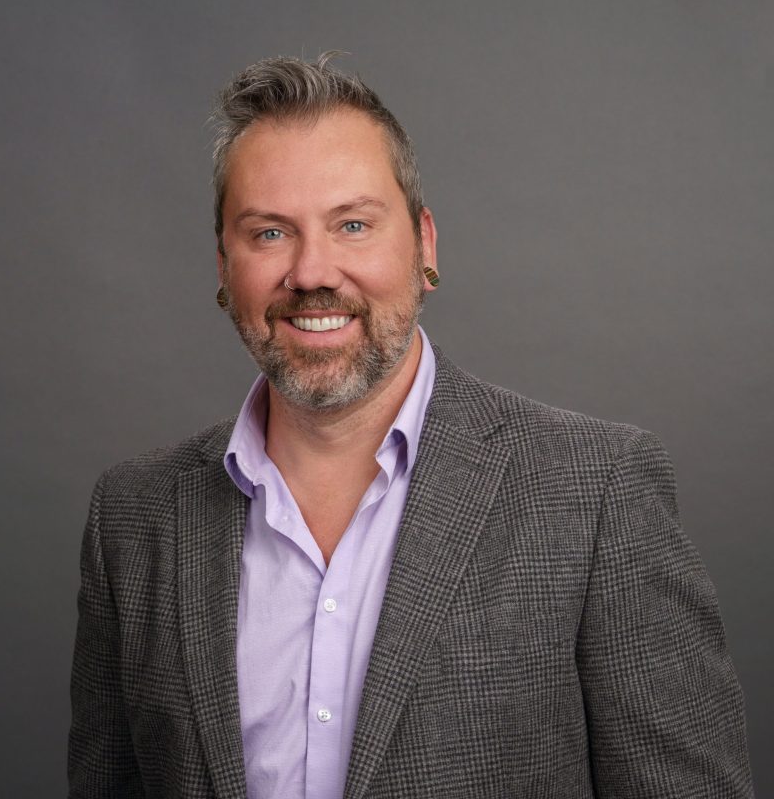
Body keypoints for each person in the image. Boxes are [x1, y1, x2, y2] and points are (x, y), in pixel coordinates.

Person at [68, 53, 754, 799]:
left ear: (424, 245)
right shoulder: (132, 519)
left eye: (353, 224)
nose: (312, 272)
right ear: (225, 265)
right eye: (269, 234)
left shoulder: (594, 494)